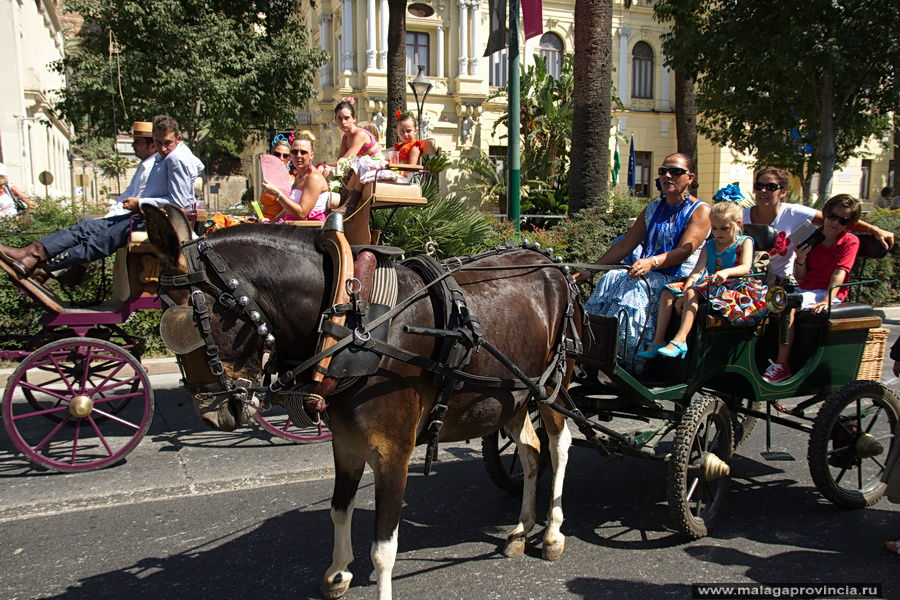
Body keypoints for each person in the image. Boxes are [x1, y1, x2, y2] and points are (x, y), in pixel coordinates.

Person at [0, 115, 203, 277]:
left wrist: (140, 202)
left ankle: (43, 265)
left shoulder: (176, 160)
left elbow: (180, 204)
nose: (163, 148)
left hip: (162, 224)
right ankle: (33, 253)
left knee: (100, 239)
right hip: (147, 217)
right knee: (86, 227)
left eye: (167, 143)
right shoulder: (164, 156)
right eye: (159, 143)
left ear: (178, 139)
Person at [574, 153, 711, 370]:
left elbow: (685, 251)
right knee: (611, 277)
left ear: (690, 177)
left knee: (637, 286)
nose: (668, 176)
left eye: (675, 172)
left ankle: (631, 358)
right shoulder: (652, 209)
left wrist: (651, 262)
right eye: (663, 171)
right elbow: (625, 245)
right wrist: (591, 270)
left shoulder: (700, 210)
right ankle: (597, 349)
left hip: (681, 277)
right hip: (649, 271)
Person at [762, 194, 862, 383]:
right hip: (805, 289)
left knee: (788, 304)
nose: (835, 223)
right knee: (766, 301)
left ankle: (782, 365)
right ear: (825, 214)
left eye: (843, 220)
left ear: (849, 223)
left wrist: (826, 300)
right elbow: (800, 276)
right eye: (832, 216)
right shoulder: (810, 235)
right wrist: (800, 259)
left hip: (829, 292)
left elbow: (839, 274)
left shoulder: (850, 241)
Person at [638, 201, 753, 359]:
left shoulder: (744, 242)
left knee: (694, 291)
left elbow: (745, 267)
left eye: (724, 228)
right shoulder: (710, 245)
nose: (718, 232)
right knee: (668, 292)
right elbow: (697, 271)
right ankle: (658, 340)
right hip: (711, 284)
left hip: (733, 286)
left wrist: (726, 272)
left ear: (737, 224)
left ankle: (680, 340)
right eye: (714, 228)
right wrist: (683, 293)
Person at [742, 167, 893, 287]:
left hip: (782, 282)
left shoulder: (794, 213)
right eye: (759, 186)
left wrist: (874, 230)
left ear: (783, 192)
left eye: (770, 187)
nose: (763, 191)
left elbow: (836, 218)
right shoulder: (741, 216)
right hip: (747, 279)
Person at [260, 130, 330, 222]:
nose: (298, 155)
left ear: (312, 155)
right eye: (294, 152)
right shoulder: (299, 176)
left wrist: (277, 194)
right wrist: (273, 221)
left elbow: (302, 213)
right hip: (291, 226)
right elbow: (288, 208)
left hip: (308, 230)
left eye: (303, 152)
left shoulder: (313, 178)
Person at [104, 121, 158, 217]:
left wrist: (108, 218)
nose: (133, 145)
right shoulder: (142, 167)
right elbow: (127, 194)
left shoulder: (153, 169)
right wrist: (109, 214)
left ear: (152, 146)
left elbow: (136, 202)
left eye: (137, 142)